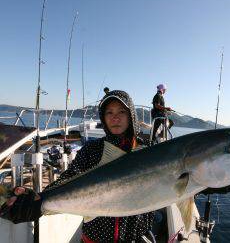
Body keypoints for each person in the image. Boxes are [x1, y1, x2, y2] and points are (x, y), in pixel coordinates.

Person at [0, 90, 155, 243]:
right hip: (94, 238)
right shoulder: (92, 149)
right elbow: (71, 176)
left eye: (121, 111)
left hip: (135, 237)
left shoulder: (148, 150)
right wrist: (39, 199)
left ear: (131, 115)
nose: (115, 117)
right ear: (103, 117)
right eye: (109, 112)